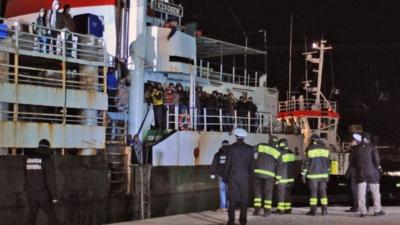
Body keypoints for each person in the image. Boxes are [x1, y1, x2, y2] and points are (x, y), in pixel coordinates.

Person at [25, 139, 60, 225]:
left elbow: (25, 176)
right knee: (53, 217)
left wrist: (27, 189)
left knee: (31, 217)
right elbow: (50, 180)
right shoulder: (47, 160)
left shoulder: (28, 158)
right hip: (43, 195)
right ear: (48, 148)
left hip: (31, 194)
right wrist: (54, 197)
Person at [224, 128, 254, 225]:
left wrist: (225, 177)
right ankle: (243, 221)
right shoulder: (250, 149)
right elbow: (252, 166)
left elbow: (227, 164)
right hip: (245, 178)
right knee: (244, 200)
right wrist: (251, 179)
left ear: (236, 136)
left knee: (232, 200)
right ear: (244, 137)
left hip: (233, 177)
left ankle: (231, 221)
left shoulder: (231, 148)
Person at [352, 132, 385, 217]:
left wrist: (359, 169)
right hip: (372, 173)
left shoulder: (356, 148)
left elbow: (354, 162)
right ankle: (377, 210)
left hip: (361, 173)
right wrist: (376, 168)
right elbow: (377, 160)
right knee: (375, 192)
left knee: (361, 192)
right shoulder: (372, 146)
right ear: (369, 138)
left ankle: (362, 211)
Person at [301, 133, 330, 216]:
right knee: (323, 192)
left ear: (312, 140)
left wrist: (303, 175)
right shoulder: (326, 149)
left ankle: (313, 211)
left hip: (313, 175)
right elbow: (328, 163)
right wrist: (328, 174)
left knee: (313, 193)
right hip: (324, 175)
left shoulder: (309, 149)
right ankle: (324, 210)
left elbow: (306, 163)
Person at [253, 135, 280, 217]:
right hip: (269, 175)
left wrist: (255, 161)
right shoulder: (277, 152)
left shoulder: (261, 145)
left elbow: (252, 150)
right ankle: (267, 212)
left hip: (258, 173)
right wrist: (278, 178)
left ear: (269, 140)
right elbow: (279, 165)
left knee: (257, 193)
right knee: (268, 193)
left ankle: (257, 211)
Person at [276, 138, 296, 214]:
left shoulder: (280, 153)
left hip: (282, 178)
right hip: (290, 178)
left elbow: (279, 166)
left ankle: (281, 209)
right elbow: (294, 165)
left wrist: (277, 178)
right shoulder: (291, 153)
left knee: (281, 193)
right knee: (287, 194)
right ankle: (288, 209)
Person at [210, 140, 230, 212]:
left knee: (222, 191)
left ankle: (223, 207)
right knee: (229, 191)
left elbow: (214, 164)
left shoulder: (217, 154)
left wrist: (212, 173)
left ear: (222, 145)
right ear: (228, 145)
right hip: (229, 176)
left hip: (220, 175)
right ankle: (229, 207)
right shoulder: (231, 154)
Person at [345, 133, 362, 212]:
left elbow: (352, 163)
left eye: (353, 141)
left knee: (354, 190)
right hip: (359, 173)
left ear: (356, 142)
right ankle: (357, 206)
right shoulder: (359, 149)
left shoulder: (354, 150)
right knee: (358, 190)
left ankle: (355, 207)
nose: (351, 142)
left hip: (354, 174)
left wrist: (348, 174)